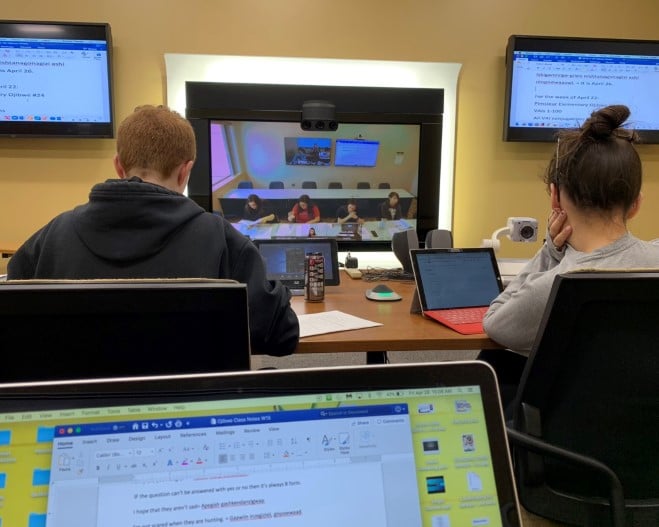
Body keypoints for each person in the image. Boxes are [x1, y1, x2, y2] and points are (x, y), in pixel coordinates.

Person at [7, 104, 299, 357]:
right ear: (186, 171)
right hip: (192, 415)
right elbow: (281, 336)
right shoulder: (220, 238)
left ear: (119, 167)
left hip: (75, 416)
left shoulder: (53, 236)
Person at [481, 105, 659, 406]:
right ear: (636, 204)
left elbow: (495, 322)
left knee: (494, 362)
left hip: (565, 443)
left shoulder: (555, 286)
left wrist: (551, 250)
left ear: (555, 196)